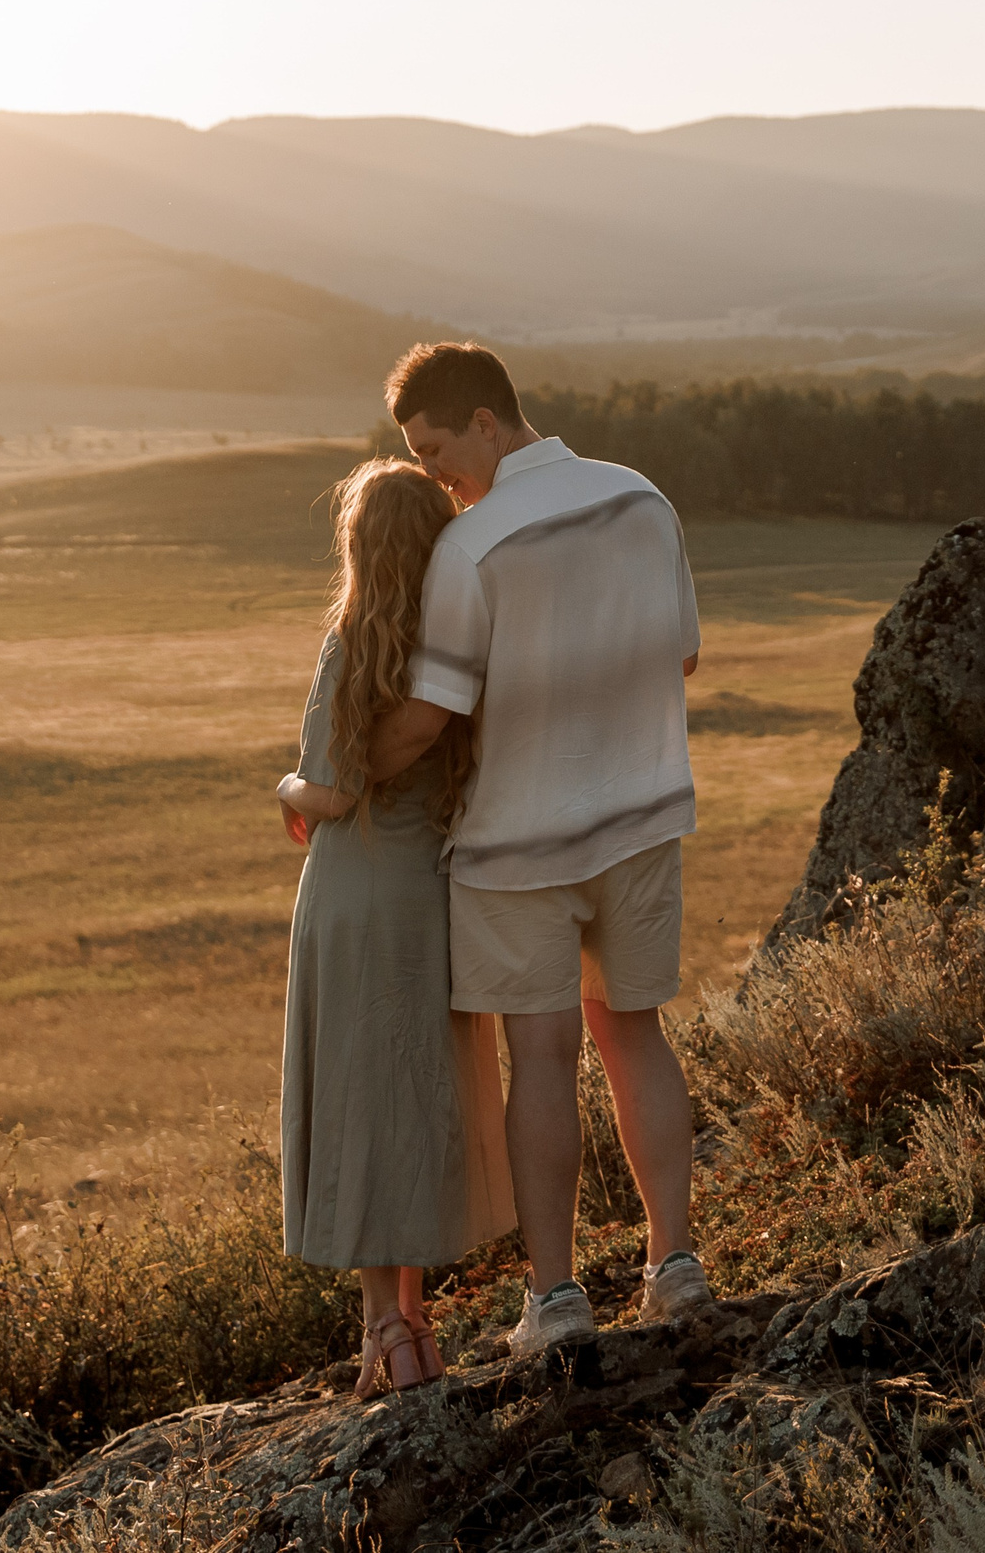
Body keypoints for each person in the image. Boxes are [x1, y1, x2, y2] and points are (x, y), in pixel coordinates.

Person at [369, 342, 712, 1356]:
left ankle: (556, 1301)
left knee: (545, 1062)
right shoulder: (641, 499)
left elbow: (432, 713)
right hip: (642, 816)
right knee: (636, 1037)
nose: (439, 479)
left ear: (486, 420)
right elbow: (683, 650)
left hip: (517, 843)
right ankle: (676, 1267)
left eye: (438, 454)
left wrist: (346, 774)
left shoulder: (470, 550)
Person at [275, 457, 518, 1400]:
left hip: (354, 896)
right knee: (413, 1093)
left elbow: (332, 790)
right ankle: (411, 1319)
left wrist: (285, 787)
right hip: (430, 889)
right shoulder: (456, 640)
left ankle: (388, 1329)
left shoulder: (352, 644)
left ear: (358, 545)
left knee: (362, 1099)